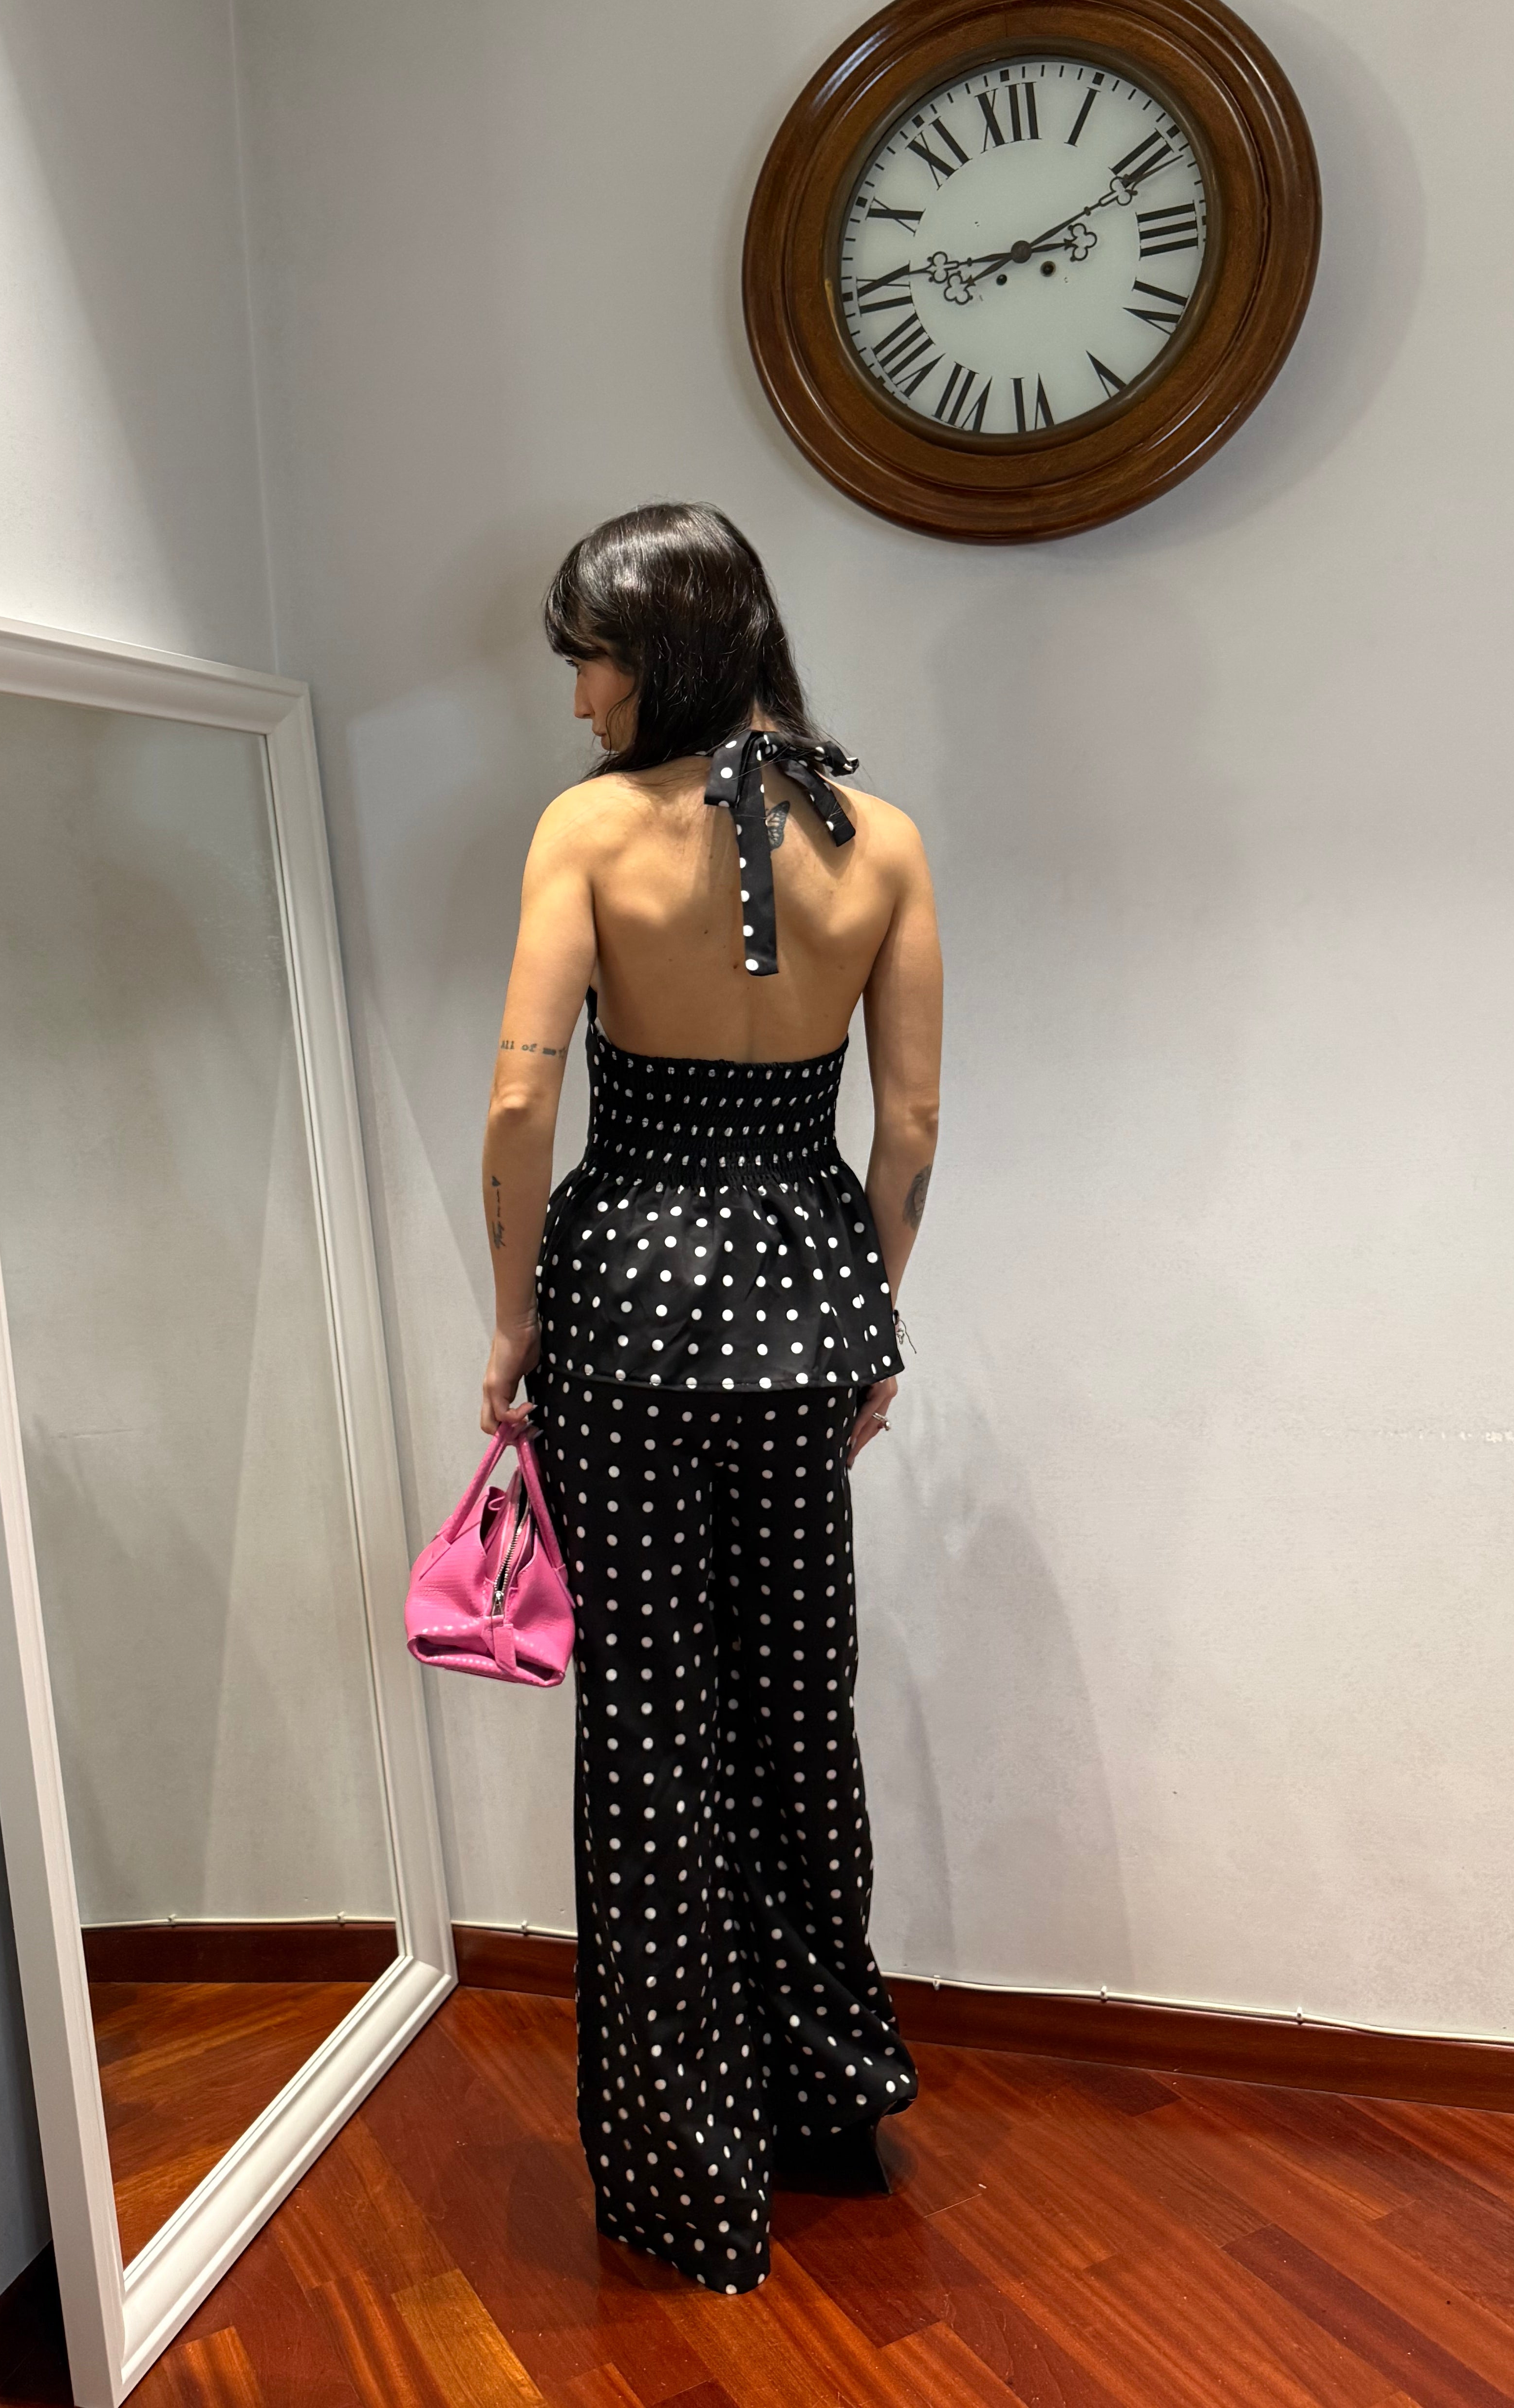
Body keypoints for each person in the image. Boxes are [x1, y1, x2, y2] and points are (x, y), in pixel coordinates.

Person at [478, 502, 942, 2295]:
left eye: (589, 658)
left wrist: (508, 1318)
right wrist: (868, 1317)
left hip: (624, 1307)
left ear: (662, 652)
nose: (579, 697)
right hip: (806, 1303)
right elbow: (908, 1126)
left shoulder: (589, 831)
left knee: (650, 1735)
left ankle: (689, 2174)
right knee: (794, 1709)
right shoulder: (882, 842)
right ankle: (822, 2107)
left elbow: (523, 1104)